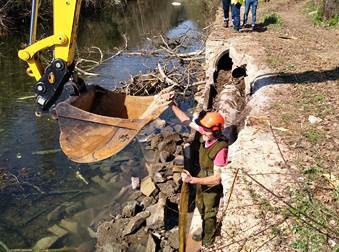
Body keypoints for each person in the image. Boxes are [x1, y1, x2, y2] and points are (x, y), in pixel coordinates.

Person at [170, 103, 228, 246]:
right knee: (200, 206)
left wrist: (192, 180)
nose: (203, 131)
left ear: (214, 131)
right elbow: (186, 121)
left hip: (210, 183)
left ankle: (209, 240)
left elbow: (216, 179)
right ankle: (204, 231)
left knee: (209, 213)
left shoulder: (220, 149)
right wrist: (172, 105)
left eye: (206, 129)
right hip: (202, 175)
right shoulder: (206, 133)